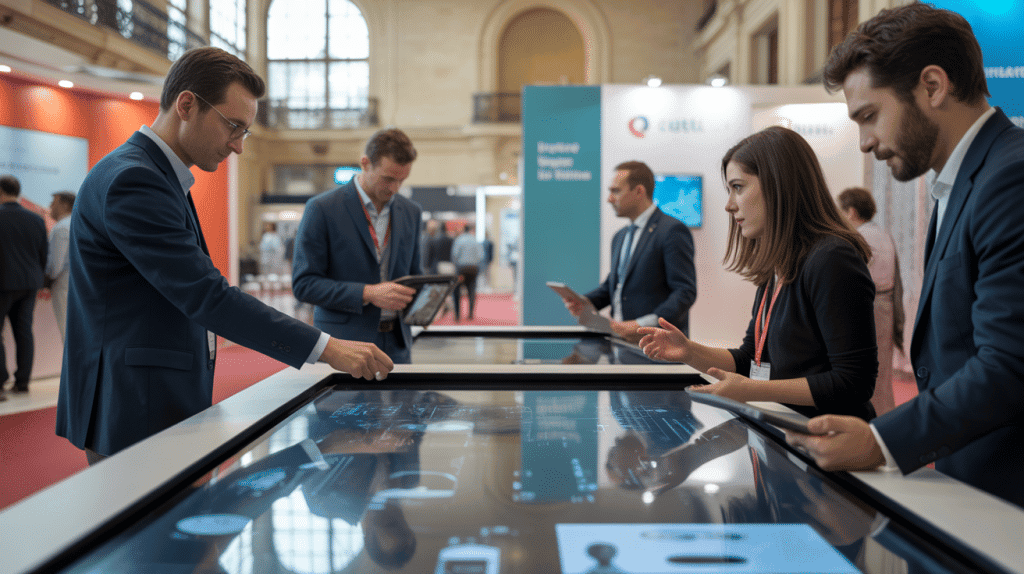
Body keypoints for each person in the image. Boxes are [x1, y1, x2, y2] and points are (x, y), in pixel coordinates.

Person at [55, 47, 393, 464]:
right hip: (134, 401)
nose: (237, 146)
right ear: (187, 105)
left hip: (147, 393)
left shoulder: (156, 174)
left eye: (244, 132)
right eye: (233, 126)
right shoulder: (135, 179)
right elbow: (206, 296)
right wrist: (328, 348)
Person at [785, 3, 1024, 509]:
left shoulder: (1010, 177)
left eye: (869, 116)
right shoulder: (962, 183)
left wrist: (880, 441)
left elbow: (1009, 364)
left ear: (933, 86)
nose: (866, 142)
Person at [639, 126, 878, 421]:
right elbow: (750, 359)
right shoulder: (778, 264)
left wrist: (755, 390)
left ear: (780, 185)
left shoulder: (832, 259)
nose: (729, 205)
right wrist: (689, 352)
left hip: (828, 443)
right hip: (785, 433)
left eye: (738, 187)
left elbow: (853, 382)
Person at [292, 128, 423, 364]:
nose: (394, 188)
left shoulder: (411, 212)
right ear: (365, 163)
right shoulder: (322, 209)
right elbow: (304, 285)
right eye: (388, 178)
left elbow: (414, 275)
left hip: (398, 346)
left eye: (402, 180)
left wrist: (430, 298)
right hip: (344, 346)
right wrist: (368, 293)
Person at [559, 161, 696, 344]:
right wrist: (586, 302)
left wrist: (640, 325)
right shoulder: (620, 236)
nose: (609, 198)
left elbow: (684, 292)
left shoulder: (672, 230)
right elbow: (614, 286)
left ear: (639, 192)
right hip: (624, 343)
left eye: (615, 191)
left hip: (660, 346)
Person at [837, 187, 904, 415]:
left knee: (866, 371)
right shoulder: (882, 233)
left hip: (869, 307)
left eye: (841, 211)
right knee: (882, 371)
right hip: (885, 306)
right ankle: (885, 416)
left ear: (851, 212)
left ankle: (871, 422)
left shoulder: (860, 237)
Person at [0, 175, 48, 400]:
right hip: (30, 284)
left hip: (3, 283)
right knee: (23, 333)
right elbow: (43, 254)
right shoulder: (36, 219)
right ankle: (22, 382)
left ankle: (0, 384)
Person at [45, 190, 76, 340]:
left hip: (63, 286)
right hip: (76, 285)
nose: (50, 206)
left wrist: (45, 280)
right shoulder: (77, 223)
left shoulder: (61, 227)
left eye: (53, 202)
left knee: (68, 333)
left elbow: (55, 267)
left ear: (64, 204)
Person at [450, 222, 484, 321]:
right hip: (473, 268)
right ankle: (470, 314)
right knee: (472, 290)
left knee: (456, 291)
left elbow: (455, 255)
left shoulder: (459, 240)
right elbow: (481, 256)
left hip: (461, 269)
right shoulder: (475, 240)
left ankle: (457, 315)